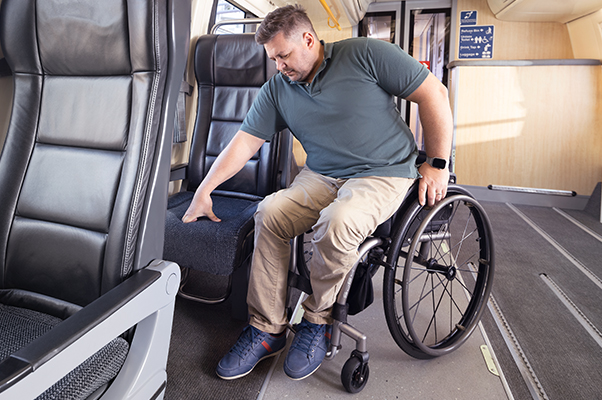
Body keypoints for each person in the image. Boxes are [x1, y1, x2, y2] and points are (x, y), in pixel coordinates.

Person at [183, 4, 453, 381]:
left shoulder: (365, 55)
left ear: (308, 40)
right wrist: (205, 189)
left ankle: (317, 319)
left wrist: (438, 163)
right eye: (273, 59)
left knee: (338, 222)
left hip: (383, 172)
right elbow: (243, 144)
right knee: (270, 213)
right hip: (322, 174)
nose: (279, 66)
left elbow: (433, 94)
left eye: (283, 56)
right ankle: (266, 329)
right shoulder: (278, 88)